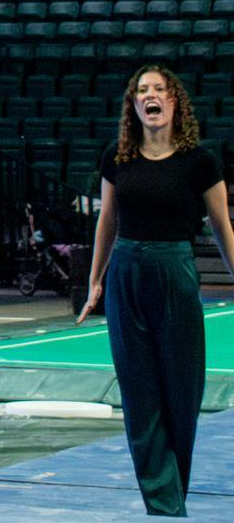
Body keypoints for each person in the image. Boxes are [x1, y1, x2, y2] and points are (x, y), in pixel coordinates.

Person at [72, 65, 234, 515]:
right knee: (139, 392)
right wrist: (95, 280)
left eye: (159, 89)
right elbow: (107, 220)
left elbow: (222, 227)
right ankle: (163, 502)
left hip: (174, 271)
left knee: (182, 390)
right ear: (134, 106)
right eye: (142, 90)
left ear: (174, 101)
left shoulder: (201, 161)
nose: (151, 95)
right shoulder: (116, 158)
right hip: (126, 272)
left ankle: (172, 489)